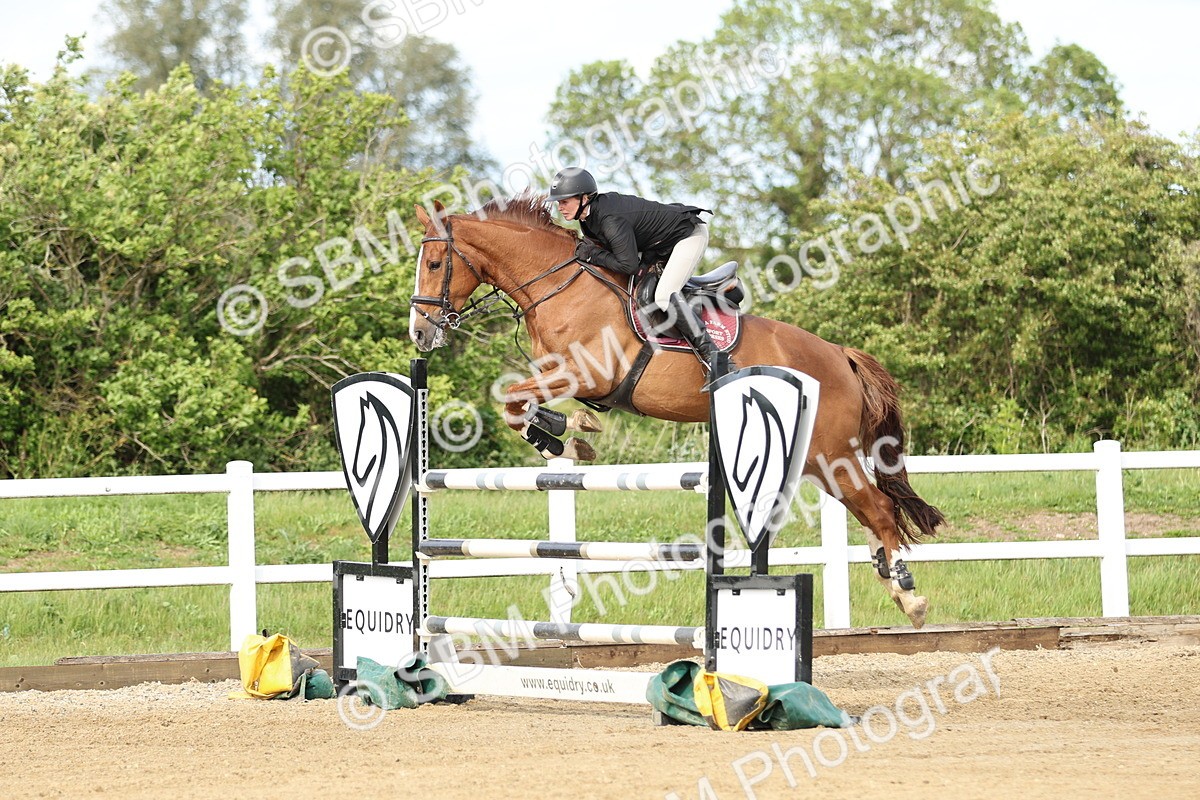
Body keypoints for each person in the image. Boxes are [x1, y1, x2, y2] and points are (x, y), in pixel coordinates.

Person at [547, 166, 720, 367]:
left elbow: (628, 265)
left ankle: (714, 357)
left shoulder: (609, 219)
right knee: (640, 292)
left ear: (584, 198)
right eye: (559, 202)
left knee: (664, 296)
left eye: (565, 201)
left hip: (687, 236)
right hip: (658, 245)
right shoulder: (587, 218)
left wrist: (593, 255)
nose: (560, 207)